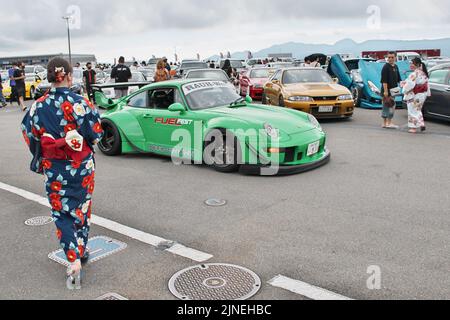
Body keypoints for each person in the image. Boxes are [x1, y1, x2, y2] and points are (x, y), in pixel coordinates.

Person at [21, 57, 104, 289]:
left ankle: (73, 258)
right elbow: (96, 133)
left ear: (49, 77)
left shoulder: (37, 105)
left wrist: (46, 149)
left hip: (54, 168)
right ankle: (81, 248)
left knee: (61, 213)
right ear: (68, 75)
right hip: (81, 166)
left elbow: (29, 133)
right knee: (82, 209)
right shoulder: (80, 102)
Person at [401, 57, 430, 134]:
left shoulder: (414, 74)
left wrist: (404, 88)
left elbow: (409, 85)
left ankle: (413, 127)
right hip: (422, 95)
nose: (411, 65)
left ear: (417, 64)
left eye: (412, 63)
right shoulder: (423, 73)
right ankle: (421, 123)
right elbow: (426, 85)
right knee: (417, 109)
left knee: (412, 110)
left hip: (415, 94)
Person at [381, 52, 402, 129]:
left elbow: (399, 79)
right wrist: (386, 91)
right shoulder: (385, 67)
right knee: (386, 105)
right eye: (389, 57)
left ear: (395, 57)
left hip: (394, 90)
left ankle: (388, 122)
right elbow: (384, 81)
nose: (390, 59)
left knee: (391, 106)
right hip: (387, 90)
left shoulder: (396, 67)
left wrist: (403, 84)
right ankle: (386, 123)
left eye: (392, 57)